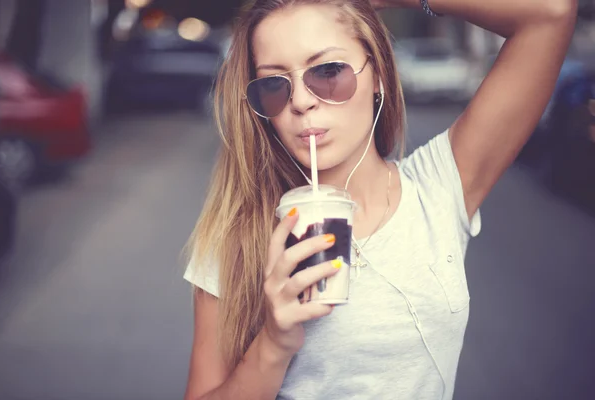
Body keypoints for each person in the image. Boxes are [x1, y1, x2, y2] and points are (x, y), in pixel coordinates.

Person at [182, 0, 577, 399]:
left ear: (378, 76)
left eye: (328, 71)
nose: (300, 101)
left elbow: (551, 12)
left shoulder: (437, 188)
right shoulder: (238, 236)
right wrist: (273, 344)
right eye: (274, 84)